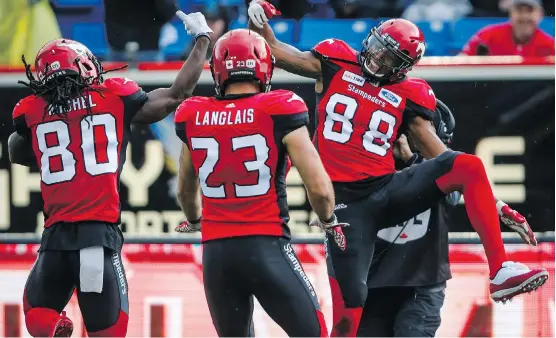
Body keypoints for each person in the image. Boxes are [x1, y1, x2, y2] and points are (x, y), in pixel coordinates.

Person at [247, 2, 548, 336]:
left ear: (404, 68)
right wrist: (259, 22)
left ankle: (500, 270)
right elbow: (274, 50)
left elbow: (441, 155)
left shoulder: (411, 93)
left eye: (389, 59)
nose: (377, 60)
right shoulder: (335, 59)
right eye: (378, 50)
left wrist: (496, 205)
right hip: (347, 206)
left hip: (385, 189)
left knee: (468, 164)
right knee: (348, 319)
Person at [7, 11, 212, 338]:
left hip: (55, 241)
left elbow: (17, 150)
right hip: (95, 241)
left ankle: (60, 328)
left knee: (38, 318)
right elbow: (176, 94)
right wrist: (203, 40)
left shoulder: (30, 111)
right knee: (108, 331)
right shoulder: (113, 94)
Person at [173, 28, 346, 337]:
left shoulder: (194, 114)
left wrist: (195, 219)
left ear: (218, 70)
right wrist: (328, 218)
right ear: (265, 67)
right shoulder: (281, 107)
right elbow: (318, 186)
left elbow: (186, 189)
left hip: (216, 257)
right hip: (266, 247)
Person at [356, 99, 458, 337]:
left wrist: (412, 159)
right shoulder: (362, 165)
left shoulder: (436, 165)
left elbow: (453, 194)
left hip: (421, 283)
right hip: (372, 282)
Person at [460, 0, 554, 56]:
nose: (524, 17)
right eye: (519, 11)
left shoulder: (550, 45)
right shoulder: (487, 36)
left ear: (540, 15)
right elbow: (460, 61)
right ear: (511, 13)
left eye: (529, 11)